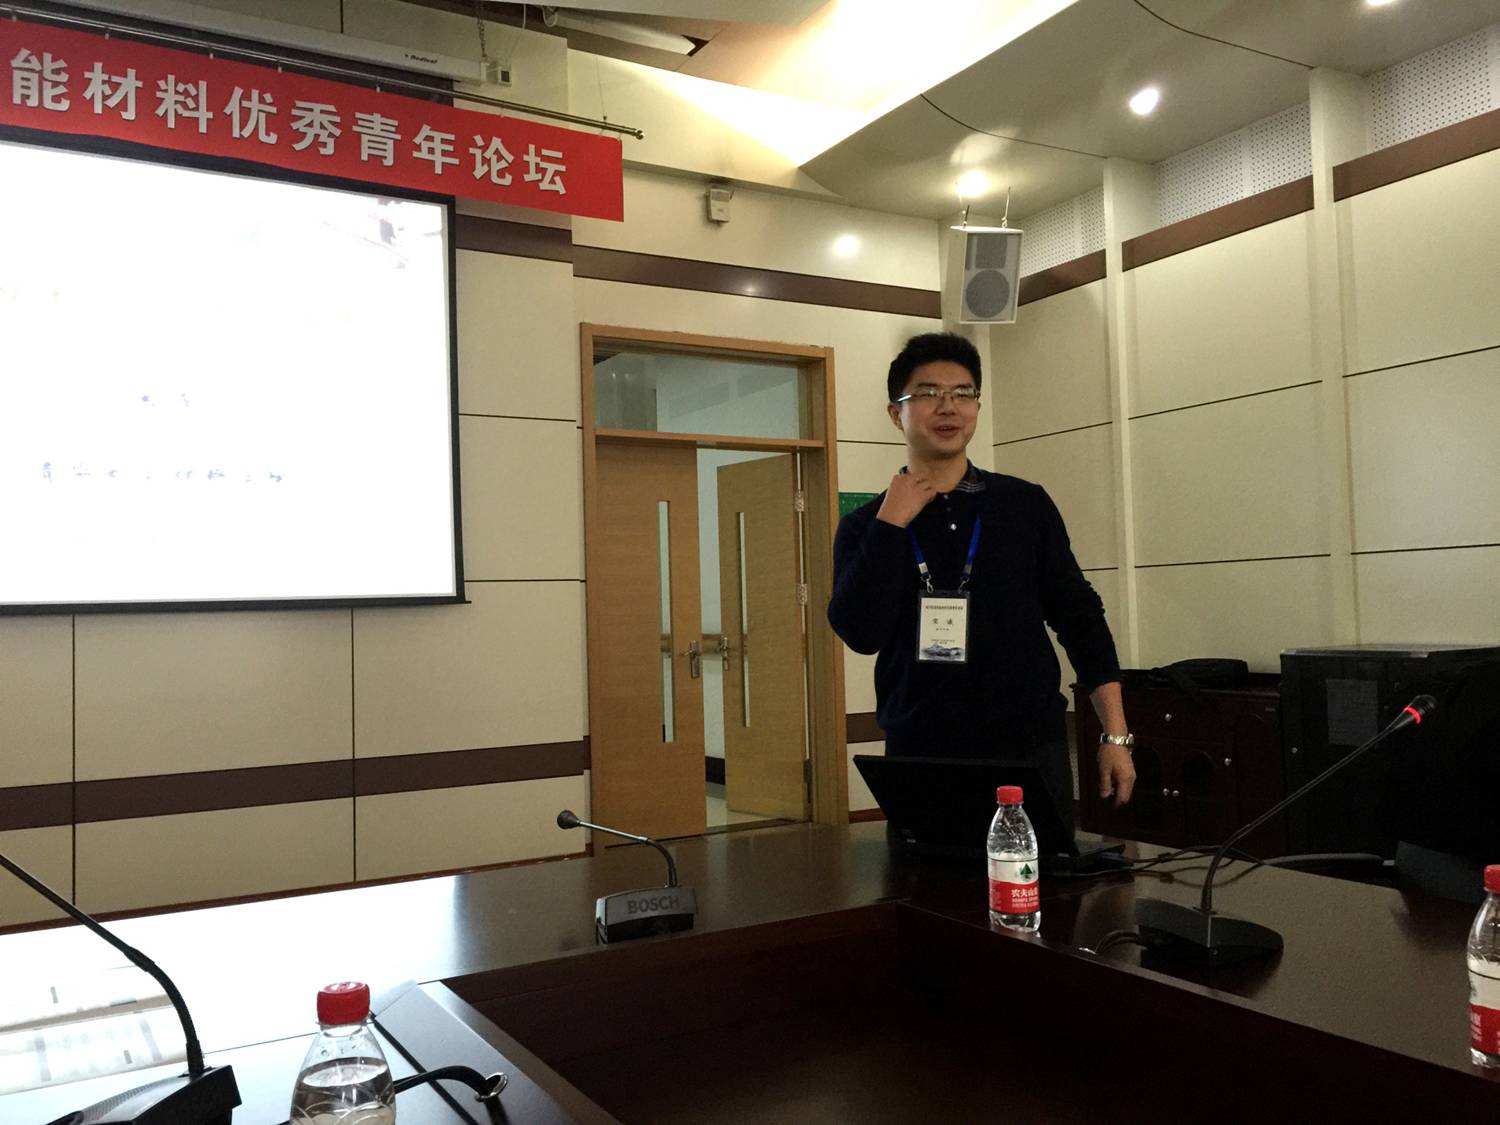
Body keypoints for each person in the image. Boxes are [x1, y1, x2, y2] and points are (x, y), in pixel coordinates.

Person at [828, 332, 1134, 834]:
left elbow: (1080, 618)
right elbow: (860, 632)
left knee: (1037, 880)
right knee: (924, 881)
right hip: (920, 752)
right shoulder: (867, 525)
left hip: (1028, 746)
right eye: (928, 393)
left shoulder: (1024, 505)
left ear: (976, 406)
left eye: (963, 393)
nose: (948, 406)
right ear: (895, 413)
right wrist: (891, 524)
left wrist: (1115, 736)